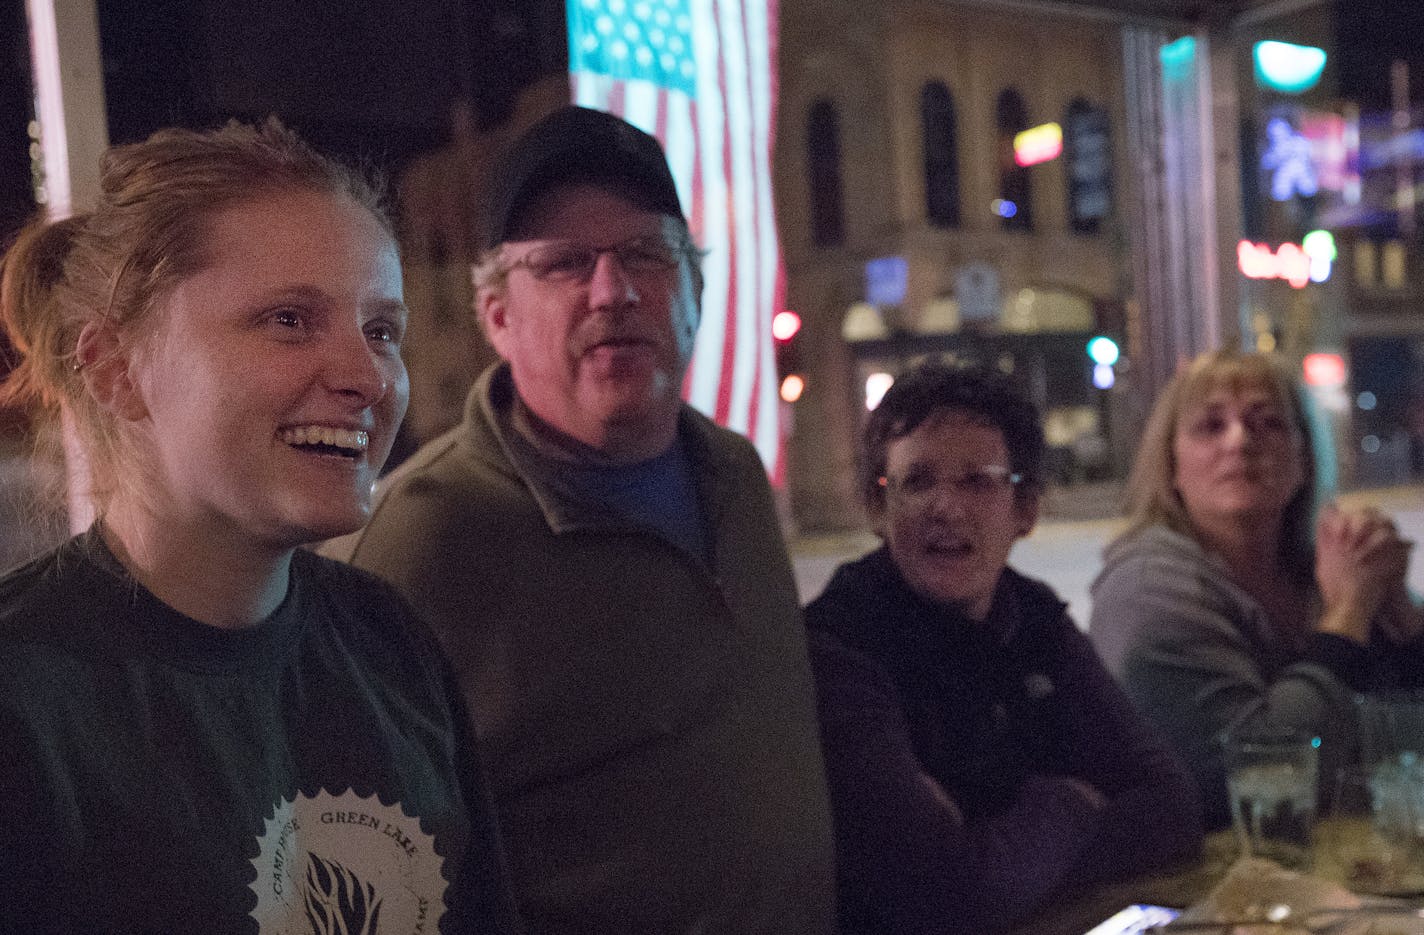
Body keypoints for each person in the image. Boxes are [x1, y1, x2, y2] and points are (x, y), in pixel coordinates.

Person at [322, 106, 835, 934]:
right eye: (564, 264)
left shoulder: (734, 475)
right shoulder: (420, 543)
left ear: (695, 289)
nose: (615, 290)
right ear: (497, 316)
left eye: (646, 254)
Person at [0, 121, 516, 933]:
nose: (365, 376)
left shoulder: (391, 645)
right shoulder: (29, 699)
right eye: (287, 320)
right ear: (114, 370)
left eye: (381, 330)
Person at [805, 362, 1202, 935]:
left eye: (978, 481)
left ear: (1025, 510)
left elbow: (1172, 808)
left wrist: (989, 843)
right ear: (877, 507)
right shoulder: (841, 642)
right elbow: (941, 895)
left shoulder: (1032, 617)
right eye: (917, 481)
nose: (945, 506)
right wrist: (1070, 801)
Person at [1090, 347, 1424, 829]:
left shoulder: (1325, 565)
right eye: (1210, 426)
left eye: (1267, 423)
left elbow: (1402, 738)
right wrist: (1349, 614)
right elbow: (1257, 782)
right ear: (1172, 466)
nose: (1240, 442)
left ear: (1305, 456)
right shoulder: (1147, 590)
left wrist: (1399, 614)